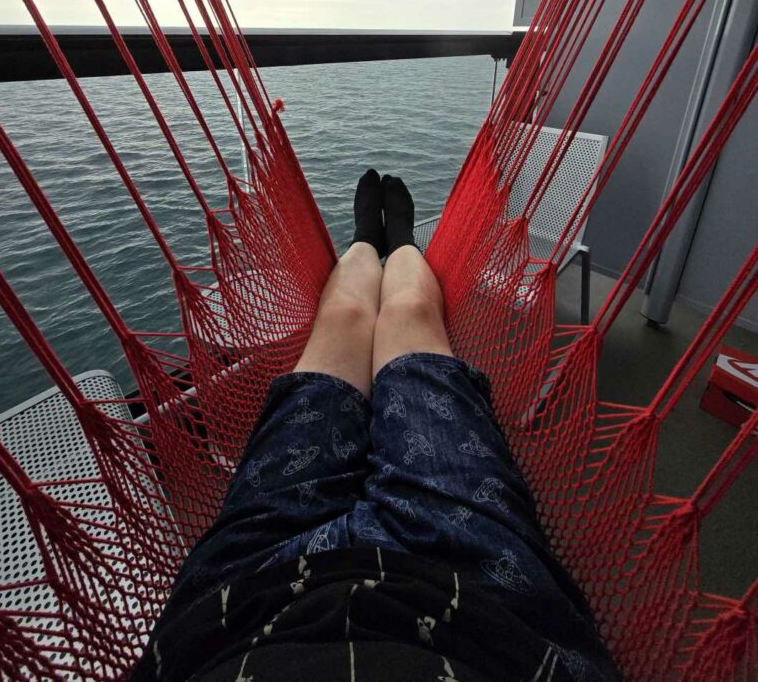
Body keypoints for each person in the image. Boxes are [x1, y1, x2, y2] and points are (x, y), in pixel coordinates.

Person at [133, 170, 618, 682]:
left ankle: (368, 240)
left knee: (343, 316)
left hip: (243, 597)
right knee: (409, 312)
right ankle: (399, 244)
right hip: (478, 587)